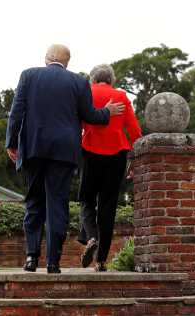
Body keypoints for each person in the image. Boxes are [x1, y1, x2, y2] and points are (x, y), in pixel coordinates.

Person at [6, 45, 125, 274]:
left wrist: (11, 143)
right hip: (64, 152)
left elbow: (17, 111)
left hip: (34, 147)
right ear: (67, 62)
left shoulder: (28, 76)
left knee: (34, 201)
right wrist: (108, 111)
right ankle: (53, 262)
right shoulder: (79, 82)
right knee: (57, 204)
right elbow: (91, 116)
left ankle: (31, 257)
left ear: (47, 58)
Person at [78, 64, 142, 271]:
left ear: (92, 79)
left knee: (87, 200)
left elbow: (77, 122)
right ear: (111, 80)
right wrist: (136, 158)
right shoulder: (121, 97)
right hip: (117, 155)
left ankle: (91, 237)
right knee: (108, 207)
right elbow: (133, 129)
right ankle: (101, 261)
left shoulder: (86, 92)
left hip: (90, 151)